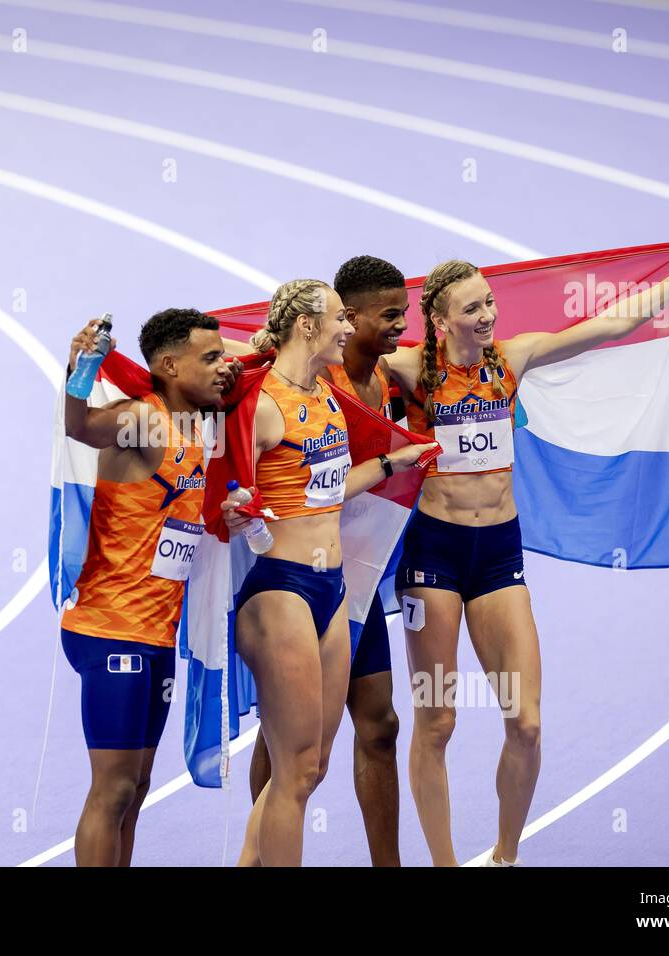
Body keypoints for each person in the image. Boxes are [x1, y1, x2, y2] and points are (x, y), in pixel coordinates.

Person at [382, 234, 669, 866]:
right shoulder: (408, 369)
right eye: (471, 309)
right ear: (438, 319)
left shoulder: (513, 357)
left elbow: (612, 323)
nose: (487, 315)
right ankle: (441, 864)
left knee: (527, 721)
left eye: (489, 302)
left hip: (497, 555)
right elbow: (323, 363)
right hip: (432, 556)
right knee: (437, 722)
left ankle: (504, 858)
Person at [223, 279, 436, 867]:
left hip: (332, 589)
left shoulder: (322, 396)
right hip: (281, 591)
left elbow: (331, 490)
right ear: (307, 327)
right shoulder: (261, 404)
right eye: (341, 318)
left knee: (310, 767)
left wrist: (395, 460)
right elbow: (206, 468)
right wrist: (228, 507)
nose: (350, 328)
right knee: (292, 770)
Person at [61, 308, 234, 866]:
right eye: (209, 358)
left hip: (157, 636)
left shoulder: (196, 429)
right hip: (110, 631)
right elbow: (80, 427)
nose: (221, 367)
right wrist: (80, 374)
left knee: (136, 788)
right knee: (111, 789)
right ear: (167, 365)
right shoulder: (144, 420)